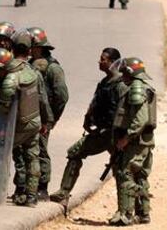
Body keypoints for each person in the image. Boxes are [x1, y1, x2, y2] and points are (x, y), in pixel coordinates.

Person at [50, 47, 123, 206]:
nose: (100, 61)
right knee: (119, 169)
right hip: (102, 132)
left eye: (103, 59)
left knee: (122, 170)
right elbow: (96, 103)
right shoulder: (105, 83)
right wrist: (87, 119)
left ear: (112, 63)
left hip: (112, 134)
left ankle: (131, 209)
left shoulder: (120, 85)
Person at [0, 44, 50, 208]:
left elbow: (4, 107)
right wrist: (46, 121)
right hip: (34, 120)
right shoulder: (30, 71)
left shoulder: (10, 80)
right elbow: (41, 98)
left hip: (19, 125)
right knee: (32, 157)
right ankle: (31, 197)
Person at [108, 57, 156, 226]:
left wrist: (126, 138)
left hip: (135, 142)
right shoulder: (143, 87)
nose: (121, 75)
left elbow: (140, 119)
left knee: (125, 172)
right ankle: (143, 213)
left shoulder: (136, 88)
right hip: (144, 142)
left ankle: (125, 215)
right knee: (140, 175)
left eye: (123, 72)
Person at [29, 27, 68, 200]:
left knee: (41, 151)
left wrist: (51, 119)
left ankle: (42, 187)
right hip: (28, 116)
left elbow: (62, 96)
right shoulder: (31, 64)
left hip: (43, 117)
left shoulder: (53, 68)